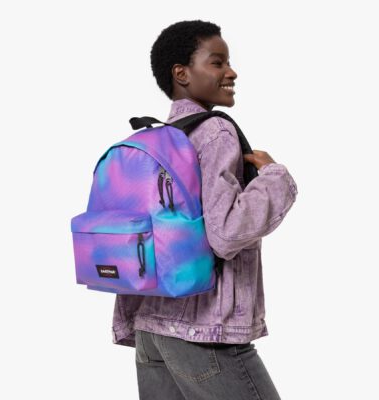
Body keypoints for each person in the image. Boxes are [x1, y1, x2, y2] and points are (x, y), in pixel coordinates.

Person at [111, 20, 298, 399]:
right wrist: (275, 179)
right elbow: (226, 233)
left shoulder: (156, 137)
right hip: (203, 331)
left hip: (151, 329)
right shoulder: (215, 133)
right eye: (217, 62)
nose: (231, 72)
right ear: (181, 73)